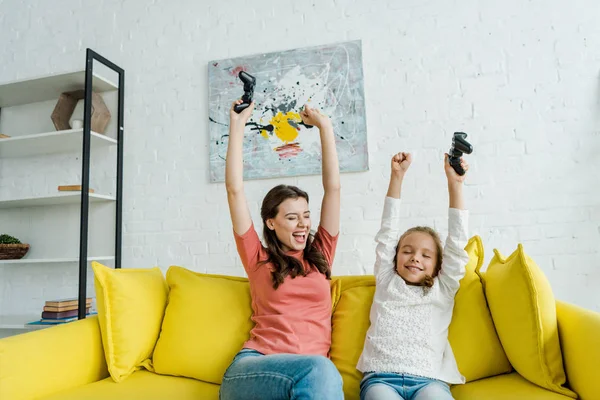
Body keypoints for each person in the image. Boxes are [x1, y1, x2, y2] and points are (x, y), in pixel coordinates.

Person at [219, 99, 344, 400]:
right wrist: (237, 126)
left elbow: (334, 189)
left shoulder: (321, 255)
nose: (302, 225)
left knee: (319, 373)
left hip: (310, 380)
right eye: (291, 217)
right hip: (255, 369)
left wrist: (325, 127)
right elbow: (235, 190)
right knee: (321, 370)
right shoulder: (257, 258)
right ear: (271, 223)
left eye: (306, 215)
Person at [356, 151, 470, 400]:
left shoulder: (444, 287)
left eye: (426, 255)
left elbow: (457, 243)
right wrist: (396, 177)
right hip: (381, 379)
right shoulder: (387, 280)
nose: (415, 258)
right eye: (407, 251)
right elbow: (387, 232)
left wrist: (455, 184)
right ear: (395, 258)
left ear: (439, 265)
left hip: (429, 382)